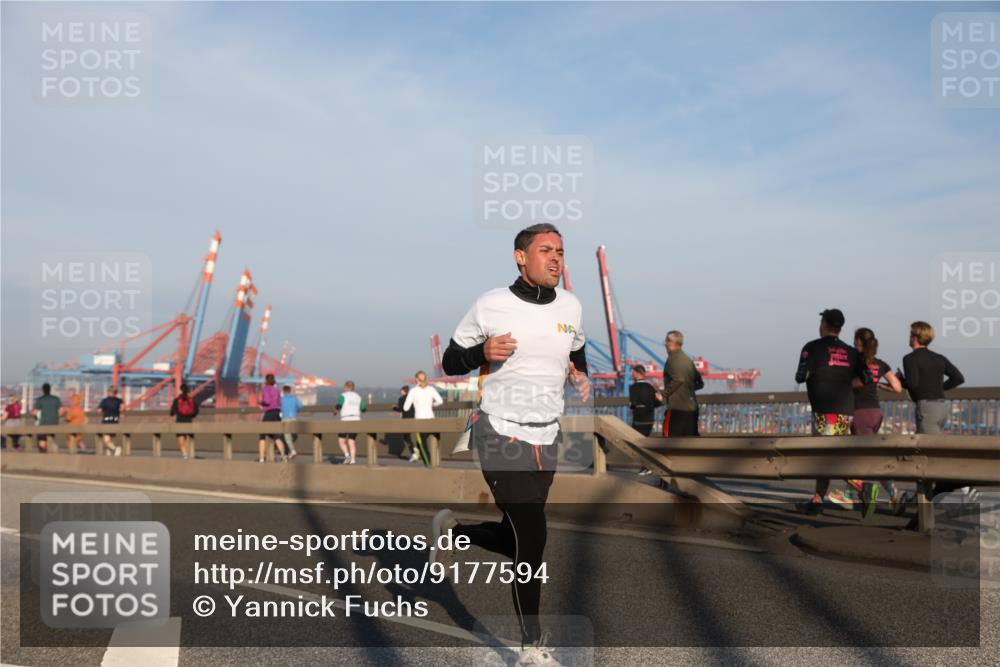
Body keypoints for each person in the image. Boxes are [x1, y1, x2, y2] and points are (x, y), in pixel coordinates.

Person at [435, 223, 589, 665]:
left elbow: (575, 348)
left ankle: (456, 534)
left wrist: (578, 373)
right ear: (521, 257)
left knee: (518, 536)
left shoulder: (572, 306)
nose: (557, 258)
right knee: (534, 536)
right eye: (546, 250)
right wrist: (481, 353)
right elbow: (449, 361)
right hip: (500, 430)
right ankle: (531, 649)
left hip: (547, 434)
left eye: (560, 250)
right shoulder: (491, 304)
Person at [794, 309, 871, 516]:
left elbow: (800, 376)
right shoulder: (851, 352)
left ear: (824, 324)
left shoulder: (811, 348)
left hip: (824, 410)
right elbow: (866, 378)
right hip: (846, 411)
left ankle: (864, 488)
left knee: (826, 458)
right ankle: (817, 501)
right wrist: (844, 383)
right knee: (827, 455)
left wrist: (816, 375)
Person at [898, 321, 967, 499]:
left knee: (925, 453)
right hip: (941, 407)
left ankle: (937, 492)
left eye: (910, 334)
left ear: (914, 337)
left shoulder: (910, 358)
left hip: (926, 408)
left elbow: (912, 384)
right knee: (933, 449)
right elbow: (958, 378)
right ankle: (931, 492)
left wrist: (901, 379)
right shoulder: (939, 358)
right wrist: (940, 388)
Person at [850, 328, 904, 517]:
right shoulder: (880, 364)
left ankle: (871, 492)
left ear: (858, 342)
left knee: (861, 458)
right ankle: (886, 493)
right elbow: (897, 388)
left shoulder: (854, 361)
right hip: (875, 413)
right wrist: (879, 384)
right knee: (867, 455)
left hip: (859, 412)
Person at [661, 331, 700, 437]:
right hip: (692, 409)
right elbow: (700, 383)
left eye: (666, 341)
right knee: (690, 443)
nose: (665, 344)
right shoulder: (688, 360)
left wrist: (663, 394)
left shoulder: (672, 360)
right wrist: (686, 390)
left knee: (668, 442)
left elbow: (679, 379)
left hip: (676, 409)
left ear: (670, 343)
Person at [402, 370, 444, 466]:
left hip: (420, 421)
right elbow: (440, 401)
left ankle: (429, 464)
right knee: (435, 442)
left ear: (416, 379)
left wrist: (415, 404)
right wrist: (432, 404)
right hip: (431, 419)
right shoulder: (431, 389)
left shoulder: (413, 391)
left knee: (422, 444)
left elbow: (405, 408)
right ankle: (437, 463)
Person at [629, 365, 663, 475]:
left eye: (633, 372)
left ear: (637, 373)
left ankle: (647, 466)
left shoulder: (633, 387)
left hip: (639, 418)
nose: (632, 374)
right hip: (649, 418)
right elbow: (657, 403)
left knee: (637, 443)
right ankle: (647, 466)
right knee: (645, 442)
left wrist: (632, 406)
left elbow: (633, 404)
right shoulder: (650, 387)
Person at [333, 380, 366, 464]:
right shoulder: (358, 396)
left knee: (341, 440)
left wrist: (335, 411)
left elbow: (339, 405)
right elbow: (364, 409)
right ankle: (353, 460)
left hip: (345, 419)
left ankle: (347, 456)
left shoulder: (343, 395)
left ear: (346, 387)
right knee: (351, 440)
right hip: (356, 420)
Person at [258, 374, 288, 463]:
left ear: (266, 380)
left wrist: (261, 403)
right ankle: (283, 456)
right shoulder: (277, 390)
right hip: (276, 413)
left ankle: (261, 458)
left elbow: (267, 401)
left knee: (262, 436)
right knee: (277, 437)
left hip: (268, 413)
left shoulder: (265, 388)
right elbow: (279, 403)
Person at [169, 383, 199, 459]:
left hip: (180, 421)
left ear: (180, 390)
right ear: (188, 390)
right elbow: (196, 412)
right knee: (189, 440)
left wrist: (175, 413)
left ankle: (185, 456)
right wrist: (190, 415)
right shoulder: (192, 400)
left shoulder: (177, 400)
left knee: (181, 440)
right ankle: (189, 455)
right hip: (189, 421)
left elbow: (172, 413)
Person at [33, 383, 61, 452]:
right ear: (50, 389)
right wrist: (56, 416)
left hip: (43, 423)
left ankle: (43, 456)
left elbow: (34, 412)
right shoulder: (56, 399)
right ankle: (54, 451)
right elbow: (62, 411)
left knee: (42, 441)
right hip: (54, 423)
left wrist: (36, 418)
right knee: (51, 438)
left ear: (43, 390)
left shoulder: (40, 400)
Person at [97, 386, 124, 456]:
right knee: (110, 439)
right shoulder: (119, 400)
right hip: (115, 421)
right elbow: (122, 409)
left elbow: (99, 410)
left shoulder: (105, 401)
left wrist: (103, 409)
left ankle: (116, 449)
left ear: (108, 392)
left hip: (106, 421)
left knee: (106, 440)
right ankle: (109, 455)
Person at [392, 385, 416, 459]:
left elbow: (400, 409)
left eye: (401, 391)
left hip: (405, 419)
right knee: (411, 436)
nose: (400, 392)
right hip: (413, 418)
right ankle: (415, 451)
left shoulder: (401, 399)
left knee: (406, 437)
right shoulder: (412, 398)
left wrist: (394, 408)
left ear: (404, 391)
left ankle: (414, 452)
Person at [280, 385, 301, 460]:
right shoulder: (294, 398)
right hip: (293, 418)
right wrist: (295, 410)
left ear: (283, 391)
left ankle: (292, 451)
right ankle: (289, 451)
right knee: (293, 435)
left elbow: (279, 408)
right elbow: (300, 406)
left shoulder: (281, 399)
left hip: (285, 419)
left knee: (287, 437)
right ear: (289, 391)